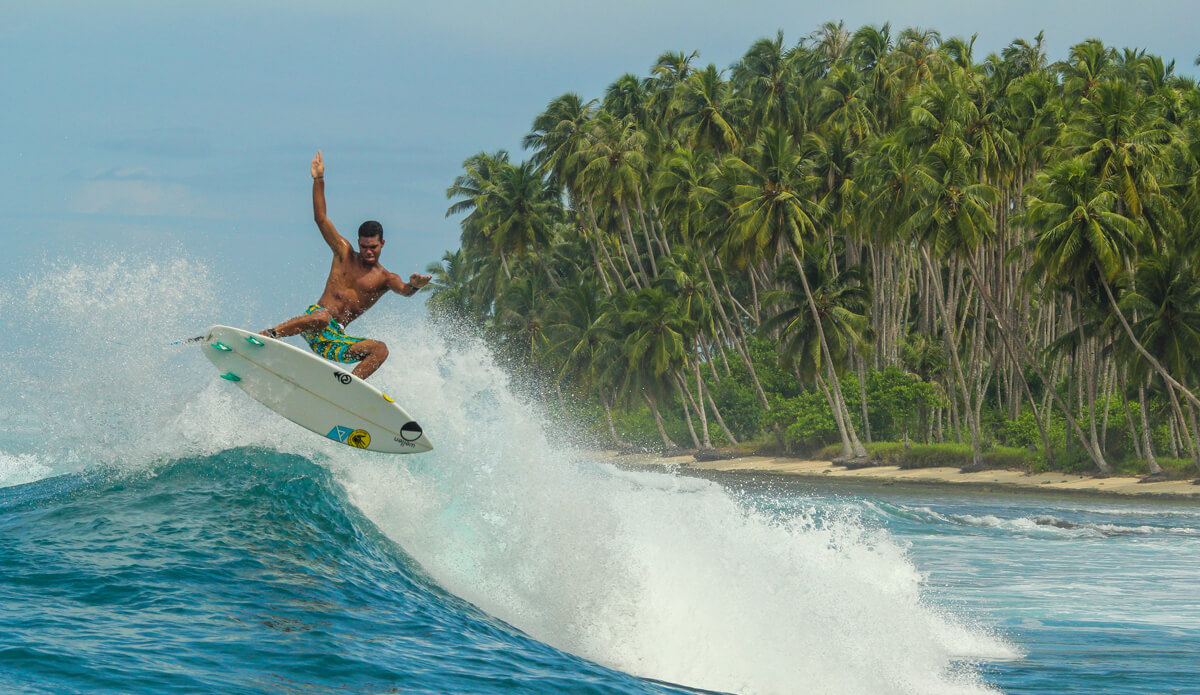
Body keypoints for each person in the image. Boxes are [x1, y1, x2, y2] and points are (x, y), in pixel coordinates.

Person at [261, 151, 431, 379]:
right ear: (359, 243)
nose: (368, 252)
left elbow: (404, 291)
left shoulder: (385, 278)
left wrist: (415, 285)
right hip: (313, 324)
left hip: (335, 340)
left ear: (382, 244)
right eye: (364, 246)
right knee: (322, 317)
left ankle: (346, 387)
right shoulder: (343, 253)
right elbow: (321, 219)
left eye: (373, 247)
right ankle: (269, 334)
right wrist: (318, 180)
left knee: (380, 349)